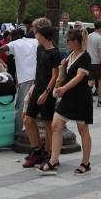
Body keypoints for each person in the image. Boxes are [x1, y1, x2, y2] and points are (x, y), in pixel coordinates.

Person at [38, 28, 92, 175]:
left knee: (83, 130)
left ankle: (85, 163)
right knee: (56, 125)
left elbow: (79, 76)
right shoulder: (71, 55)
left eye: (68, 40)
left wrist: (63, 88)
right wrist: (64, 64)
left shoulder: (85, 57)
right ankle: (53, 160)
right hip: (69, 98)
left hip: (81, 98)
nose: (66, 42)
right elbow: (68, 72)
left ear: (75, 42)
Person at [21, 25, 60, 169]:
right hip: (37, 87)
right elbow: (38, 69)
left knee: (48, 123)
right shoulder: (40, 49)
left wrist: (46, 92)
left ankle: (50, 154)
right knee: (27, 119)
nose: (35, 36)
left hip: (48, 91)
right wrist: (34, 85)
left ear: (44, 36)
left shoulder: (55, 52)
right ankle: (37, 150)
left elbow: (55, 75)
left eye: (37, 34)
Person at [8, 21, 40, 133]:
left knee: (20, 106)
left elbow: (1, 49)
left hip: (26, 79)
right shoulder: (34, 41)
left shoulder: (15, 43)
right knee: (34, 105)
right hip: (37, 77)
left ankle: (17, 132)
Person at [86, 22, 101, 106]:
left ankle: (84, 98)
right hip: (97, 63)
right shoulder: (100, 38)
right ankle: (100, 100)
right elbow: (100, 53)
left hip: (89, 62)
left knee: (91, 81)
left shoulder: (89, 36)